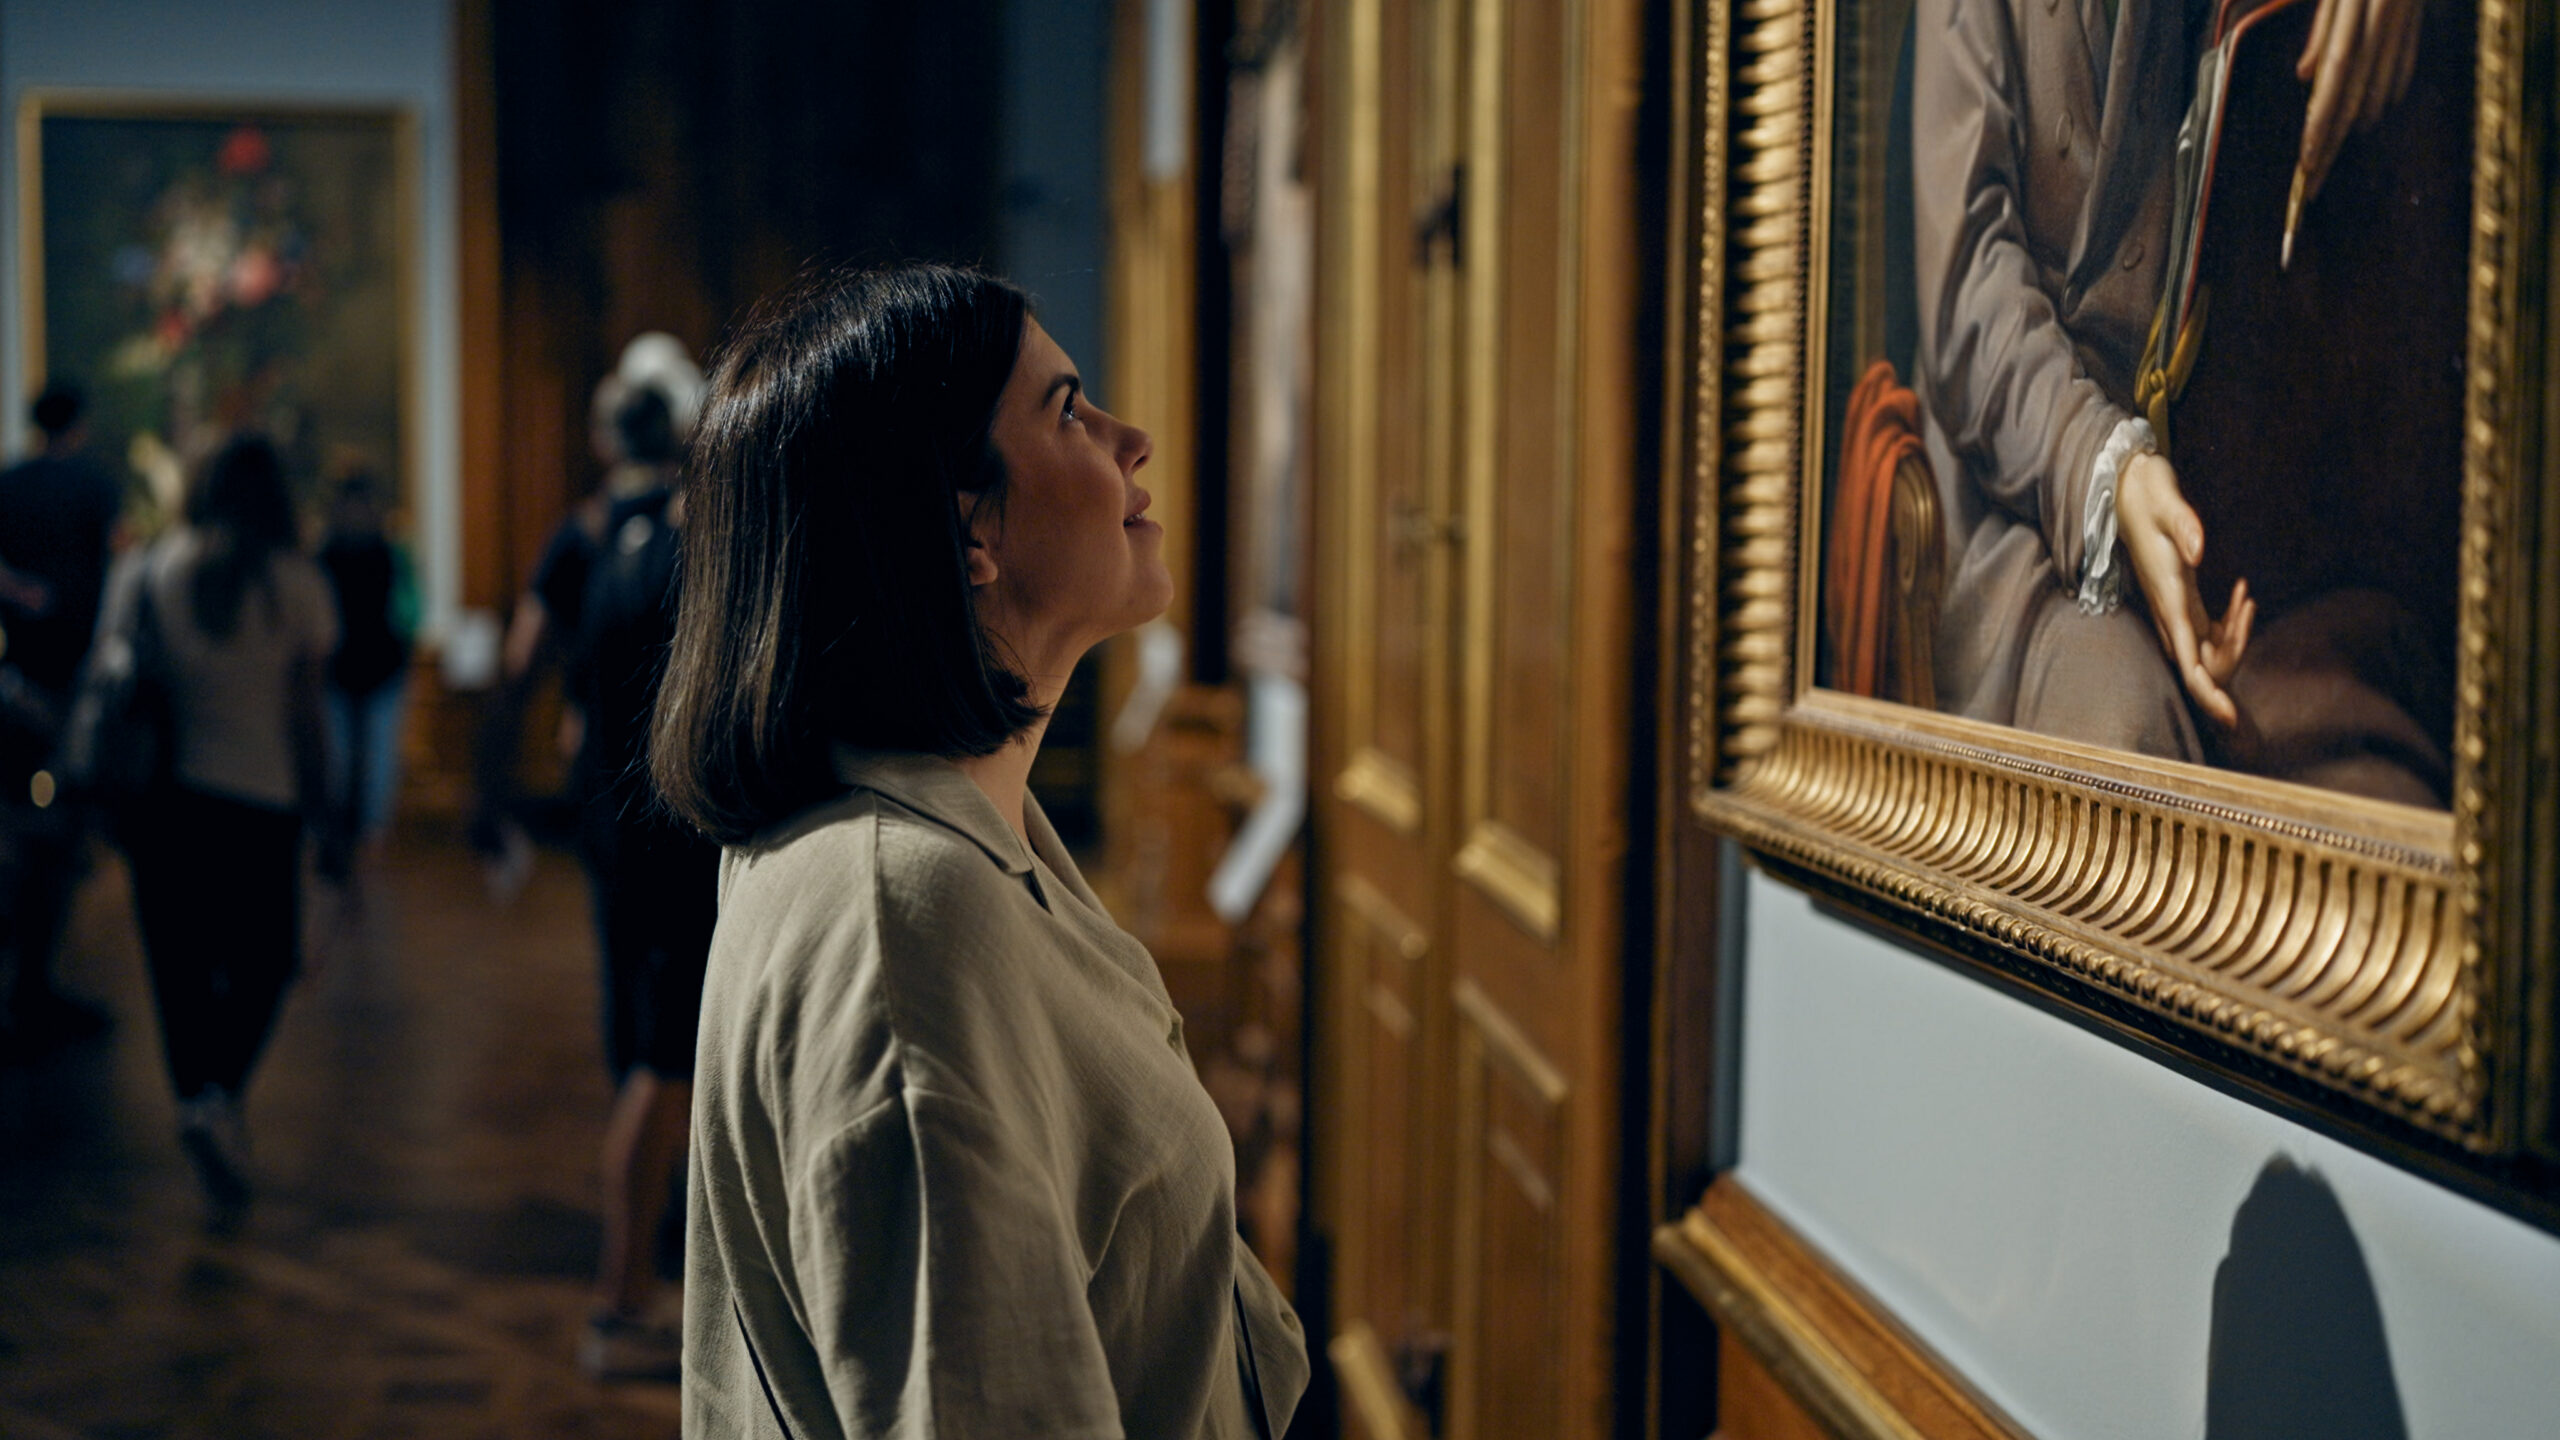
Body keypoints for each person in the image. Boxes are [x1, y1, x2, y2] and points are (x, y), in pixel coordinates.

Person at [654, 263, 1309, 1437]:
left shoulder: (957, 838)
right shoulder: (904, 921)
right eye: (1067, 409)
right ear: (966, 527)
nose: (1132, 438)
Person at [1911, 0, 2425, 763]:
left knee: (2374, 771)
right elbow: (1967, 307)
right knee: (2130, 745)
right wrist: (2109, 475)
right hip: (2018, 506)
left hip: (2235, 516)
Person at [103, 434, 338, 1224]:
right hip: (260, 806)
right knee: (266, 965)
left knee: (178, 969)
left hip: (169, 806)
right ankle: (220, 1095)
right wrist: (327, 813)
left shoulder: (157, 569)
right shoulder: (296, 585)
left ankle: (197, 1097)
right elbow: (307, 720)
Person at [569, 386, 717, 1381]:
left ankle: (628, 1297)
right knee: (662, 1066)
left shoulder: (609, 544)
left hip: (619, 833)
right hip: (667, 840)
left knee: (647, 1057)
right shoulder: (673, 555)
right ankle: (619, 1307)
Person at [0, 383, 123, 1055]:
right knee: (50, 836)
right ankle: (32, 985)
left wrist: (18, 592)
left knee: (26, 831)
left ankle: (30, 983)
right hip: (65, 683)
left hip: (20, 678)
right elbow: (111, 573)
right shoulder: (93, 487)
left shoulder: (13, 484)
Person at [314, 469, 418, 883]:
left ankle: (373, 832)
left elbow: (409, 607)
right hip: (339, 668)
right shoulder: (326, 554)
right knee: (338, 755)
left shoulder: (390, 553)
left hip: (380, 666)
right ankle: (340, 829)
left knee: (378, 757)